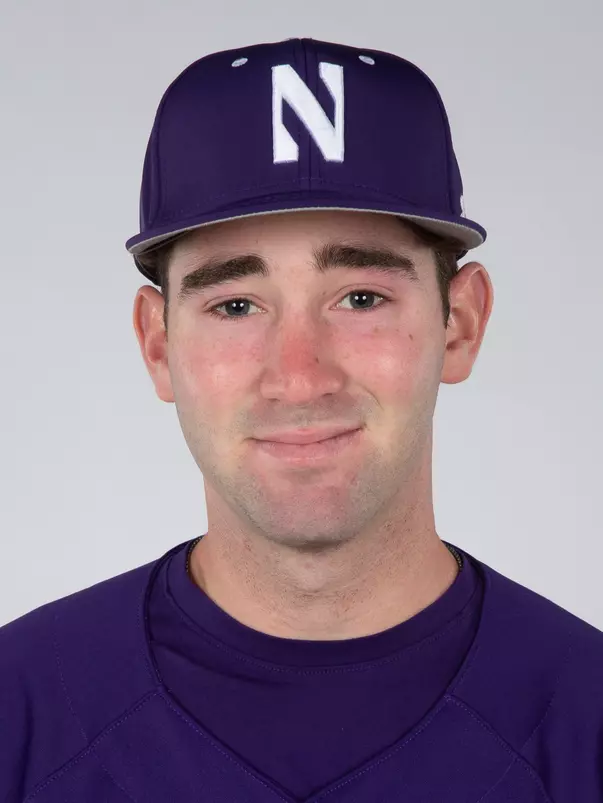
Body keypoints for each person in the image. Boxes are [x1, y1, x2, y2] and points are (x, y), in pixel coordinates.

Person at [1, 37, 601, 803]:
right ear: (158, 344)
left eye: (360, 297)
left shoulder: (585, 721)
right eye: (235, 305)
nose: (298, 374)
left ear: (461, 324)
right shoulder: (18, 717)